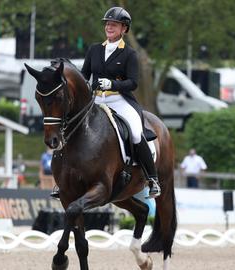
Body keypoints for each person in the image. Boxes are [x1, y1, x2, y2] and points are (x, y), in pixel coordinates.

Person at [50, 6, 161, 199]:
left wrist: (113, 84)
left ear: (124, 29)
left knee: (135, 132)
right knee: (70, 128)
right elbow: (84, 76)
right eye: (107, 24)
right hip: (95, 101)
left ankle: (152, 179)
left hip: (119, 100)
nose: (109, 27)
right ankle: (63, 181)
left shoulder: (129, 54)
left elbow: (133, 83)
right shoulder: (94, 49)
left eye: (114, 24)